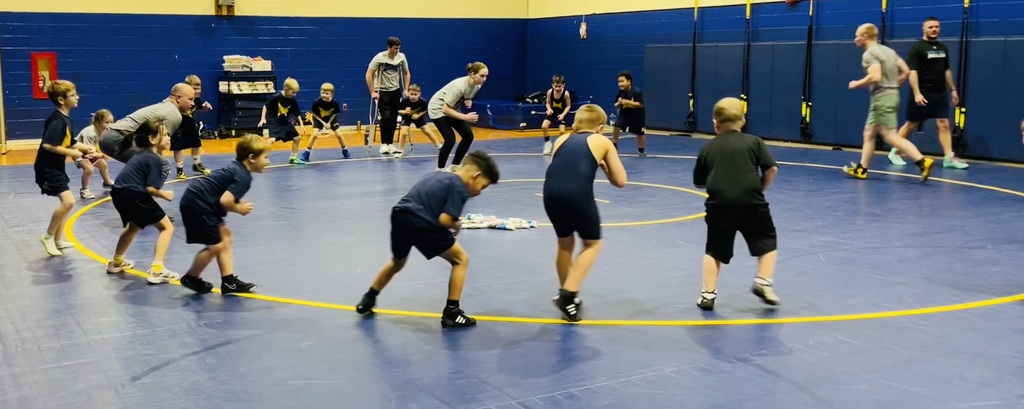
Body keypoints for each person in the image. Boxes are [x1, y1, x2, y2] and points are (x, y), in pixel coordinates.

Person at [353, 151, 500, 328]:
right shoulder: (459, 187)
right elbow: (445, 220)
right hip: (421, 222)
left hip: (400, 215)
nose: (479, 193)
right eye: (482, 187)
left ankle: (369, 298)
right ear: (475, 176)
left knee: (397, 262)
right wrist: (457, 225)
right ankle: (452, 312)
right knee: (461, 259)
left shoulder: (435, 176)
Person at [692, 97, 780, 311]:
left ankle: (708, 295)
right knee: (767, 243)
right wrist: (760, 189)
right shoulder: (754, 142)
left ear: (715, 124)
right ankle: (763, 282)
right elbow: (772, 169)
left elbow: (699, 182)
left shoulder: (707, 148)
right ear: (743, 120)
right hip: (752, 202)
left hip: (719, 205)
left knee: (714, 251)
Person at [542, 104, 626, 322]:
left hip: (550, 194)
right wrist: (604, 165)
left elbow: (560, 168)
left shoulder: (561, 139)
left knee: (564, 243)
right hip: (577, 195)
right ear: (600, 127)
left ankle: (568, 298)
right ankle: (568, 296)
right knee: (592, 245)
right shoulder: (602, 141)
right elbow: (620, 181)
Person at [177, 134, 270, 294]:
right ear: (252, 158)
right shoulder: (243, 177)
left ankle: (229, 281)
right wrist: (240, 208)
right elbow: (226, 201)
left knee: (226, 237)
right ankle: (191, 277)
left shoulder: (237, 168)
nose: (268, 161)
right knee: (216, 246)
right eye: (266, 157)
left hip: (197, 200)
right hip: (199, 204)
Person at [843, 23, 934, 182]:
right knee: (869, 133)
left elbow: (875, 76)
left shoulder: (869, 54)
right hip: (892, 95)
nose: (855, 39)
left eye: (857, 35)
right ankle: (862, 169)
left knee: (890, 136)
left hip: (881, 98)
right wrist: (895, 84)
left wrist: (856, 83)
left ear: (865, 37)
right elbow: (905, 70)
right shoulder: (888, 51)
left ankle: (921, 160)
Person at [106, 119, 180, 284]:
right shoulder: (154, 159)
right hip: (133, 194)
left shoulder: (141, 155)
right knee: (166, 227)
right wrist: (165, 194)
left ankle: (116, 262)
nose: (169, 137)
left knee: (134, 226)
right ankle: (157, 270)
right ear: (153, 139)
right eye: (165, 134)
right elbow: (150, 189)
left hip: (119, 193)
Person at [888, 17, 969, 169]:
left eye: (937, 27)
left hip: (939, 93)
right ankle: (895, 151)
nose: (934, 29)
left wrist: (953, 89)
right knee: (911, 124)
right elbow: (912, 72)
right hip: (922, 93)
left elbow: (946, 70)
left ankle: (948, 158)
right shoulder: (917, 48)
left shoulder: (943, 48)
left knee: (944, 123)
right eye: (931, 27)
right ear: (923, 29)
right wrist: (917, 93)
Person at [34, 80, 93, 257]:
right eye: (73, 95)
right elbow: (48, 145)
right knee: (69, 202)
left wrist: (86, 148)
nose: (77, 97)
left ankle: (58, 240)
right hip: (47, 168)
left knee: (66, 204)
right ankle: (48, 236)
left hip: (56, 167)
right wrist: (72, 153)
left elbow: (71, 141)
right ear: (61, 99)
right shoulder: (57, 120)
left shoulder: (66, 119)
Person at [98, 83, 194, 177]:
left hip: (109, 136)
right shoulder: (173, 114)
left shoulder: (165, 106)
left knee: (150, 166)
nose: (193, 103)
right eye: (190, 99)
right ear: (178, 98)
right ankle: (135, 191)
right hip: (115, 138)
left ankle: (135, 190)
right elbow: (159, 143)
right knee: (160, 165)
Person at [430, 62, 488, 172]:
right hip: (437, 109)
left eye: (486, 76)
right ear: (472, 74)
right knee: (450, 139)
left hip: (452, 109)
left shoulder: (477, 86)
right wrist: (465, 117)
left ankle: (455, 165)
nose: (484, 79)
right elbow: (445, 110)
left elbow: (466, 96)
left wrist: (467, 100)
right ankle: (440, 169)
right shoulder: (459, 86)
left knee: (468, 136)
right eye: (482, 76)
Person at [366, 37, 411, 155]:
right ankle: (383, 144)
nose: (397, 51)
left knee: (393, 118)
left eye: (398, 48)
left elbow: (406, 73)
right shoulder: (380, 57)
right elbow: (369, 73)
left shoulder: (401, 57)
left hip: (395, 90)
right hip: (382, 91)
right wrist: (372, 91)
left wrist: (406, 89)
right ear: (389, 47)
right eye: (395, 48)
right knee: (385, 117)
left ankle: (390, 143)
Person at [172, 74, 215, 179]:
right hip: (178, 125)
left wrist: (205, 107)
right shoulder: (181, 99)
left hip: (190, 124)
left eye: (199, 88)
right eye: (194, 89)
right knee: (179, 148)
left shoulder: (197, 99)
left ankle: (197, 165)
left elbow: (199, 108)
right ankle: (180, 170)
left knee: (196, 144)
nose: (197, 91)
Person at [258, 77, 306, 165]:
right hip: (274, 121)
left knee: (297, 138)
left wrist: (301, 124)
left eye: (296, 92)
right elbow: (265, 106)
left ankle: (293, 157)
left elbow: (297, 112)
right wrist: (262, 118)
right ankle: (260, 157)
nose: (294, 94)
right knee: (271, 140)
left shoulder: (292, 99)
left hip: (285, 122)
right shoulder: (276, 97)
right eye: (293, 92)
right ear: (286, 89)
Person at [299, 82, 352, 162]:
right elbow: (313, 113)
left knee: (339, 134)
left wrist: (329, 122)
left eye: (326, 93)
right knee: (314, 134)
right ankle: (306, 152)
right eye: (322, 93)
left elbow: (335, 113)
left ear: (332, 94)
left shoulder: (334, 103)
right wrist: (323, 123)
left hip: (331, 119)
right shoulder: (317, 102)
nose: (323, 95)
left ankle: (345, 150)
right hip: (319, 119)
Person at [74, 109, 116, 199]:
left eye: (112, 122)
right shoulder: (90, 133)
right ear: (97, 123)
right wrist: (102, 155)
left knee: (103, 165)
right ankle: (84, 190)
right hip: (77, 151)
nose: (110, 125)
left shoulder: (106, 132)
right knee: (89, 169)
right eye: (107, 122)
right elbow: (88, 152)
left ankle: (107, 182)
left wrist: (103, 154)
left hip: (90, 150)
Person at [394, 83, 441, 158]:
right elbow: (399, 111)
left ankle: (439, 146)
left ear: (419, 94)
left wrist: (418, 115)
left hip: (418, 117)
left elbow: (425, 110)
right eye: (411, 94)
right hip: (407, 117)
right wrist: (405, 111)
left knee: (427, 131)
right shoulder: (404, 101)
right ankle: (400, 150)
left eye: (415, 94)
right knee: (404, 133)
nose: (413, 96)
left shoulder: (423, 102)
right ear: (408, 93)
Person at [612, 71, 647, 157]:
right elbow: (616, 105)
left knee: (640, 133)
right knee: (616, 126)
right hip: (624, 113)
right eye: (618, 82)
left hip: (637, 115)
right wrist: (618, 104)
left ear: (629, 82)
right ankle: (614, 146)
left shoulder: (636, 92)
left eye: (622, 81)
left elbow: (641, 104)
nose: (620, 84)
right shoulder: (620, 93)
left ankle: (641, 150)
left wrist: (629, 103)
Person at [541, 74, 571, 155]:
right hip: (552, 112)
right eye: (555, 86)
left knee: (562, 131)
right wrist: (549, 109)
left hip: (562, 113)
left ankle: (562, 146)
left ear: (563, 85)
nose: (557, 88)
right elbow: (547, 103)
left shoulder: (566, 94)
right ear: (552, 85)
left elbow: (568, 106)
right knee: (544, 126)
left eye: (559, 86)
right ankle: (548, 143)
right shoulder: (550, 92)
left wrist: (563, 115)